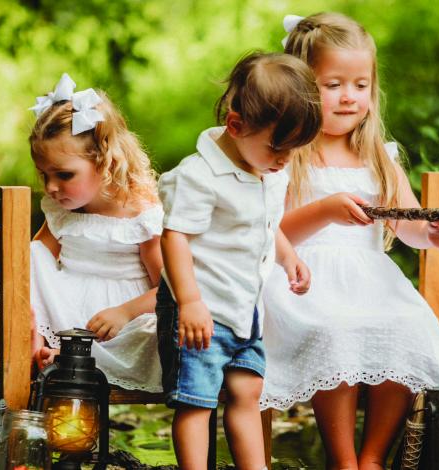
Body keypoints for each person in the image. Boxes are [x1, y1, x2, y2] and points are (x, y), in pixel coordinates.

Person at [261, 13, 439, 469]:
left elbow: (405, 222)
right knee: (337, 331)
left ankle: (372, 456)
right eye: (333, 84)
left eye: (361, 84)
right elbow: (269, 234)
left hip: (369, 277)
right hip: (302, 280)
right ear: (301, 87)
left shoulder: (378, 154)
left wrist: (434, 233)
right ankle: (343, 459)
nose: (349, 97)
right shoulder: (289, 153)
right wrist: (325, 210)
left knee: (406, 330)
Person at [0, 73, 163, 392]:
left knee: (149, 336)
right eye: (44, 175)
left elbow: (169, 290)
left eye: (64, 175)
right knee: (34, 254)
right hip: (69, 311)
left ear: (104, 160)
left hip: (123, 319)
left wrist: (124, 312)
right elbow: (23, 260)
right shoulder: (62, 212)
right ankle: (37, 341)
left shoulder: (141, 216)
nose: (51, 187)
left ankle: (69, 357)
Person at [156, 52, 321, 470]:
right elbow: (174, 237)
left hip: (244, 310)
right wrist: (190, 301)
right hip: (201, 309)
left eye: (294, 150)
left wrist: (288, 257)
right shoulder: (199, 176)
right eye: (278, 147)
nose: (284, 160)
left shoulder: (267, 168)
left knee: (248, 391)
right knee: (197, 398)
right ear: (235, 125)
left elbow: (266, 222)